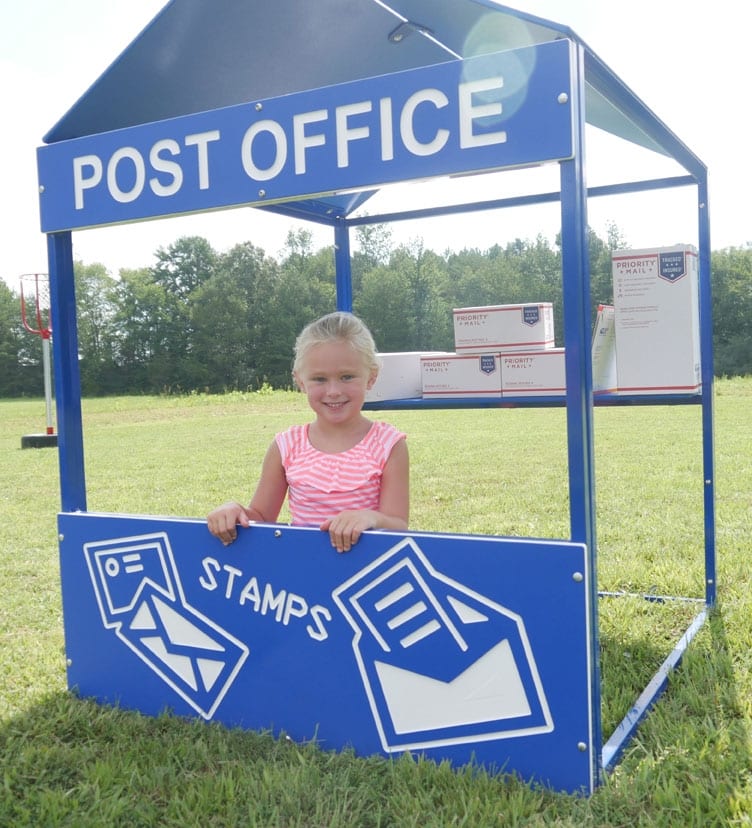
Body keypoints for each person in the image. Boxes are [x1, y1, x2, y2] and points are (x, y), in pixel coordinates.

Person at [207, 311, 409, 553]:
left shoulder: (389, 445)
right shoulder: (286, 446)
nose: (333, 391)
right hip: (302, 576)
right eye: (319, 379)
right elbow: (260, 517)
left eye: (347, 377)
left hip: (367, 577)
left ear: (371, 377)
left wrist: (370, 518)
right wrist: (233, 511)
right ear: (300, 381)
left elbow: (399, 525)